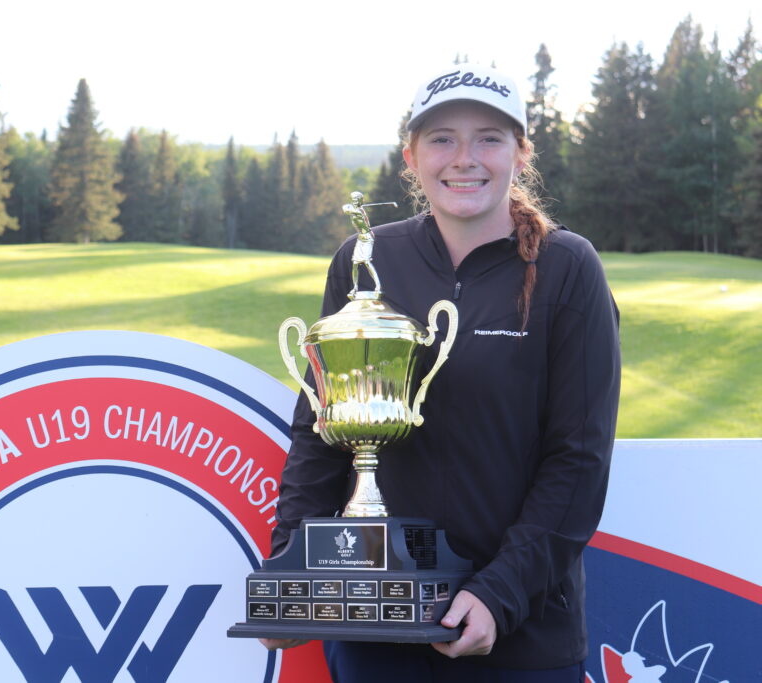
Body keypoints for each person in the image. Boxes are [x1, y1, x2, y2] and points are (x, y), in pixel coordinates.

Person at [260, 63, 622, 682]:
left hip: (518, 633)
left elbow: (578, 459)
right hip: (375, 627)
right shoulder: (366, 259)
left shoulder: (568, 268)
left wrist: (497, 595)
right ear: (411, 154)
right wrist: (289, 571)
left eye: (488, 137)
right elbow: (320, 431)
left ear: (519, 153)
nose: (465, 158)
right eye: (442, 139)